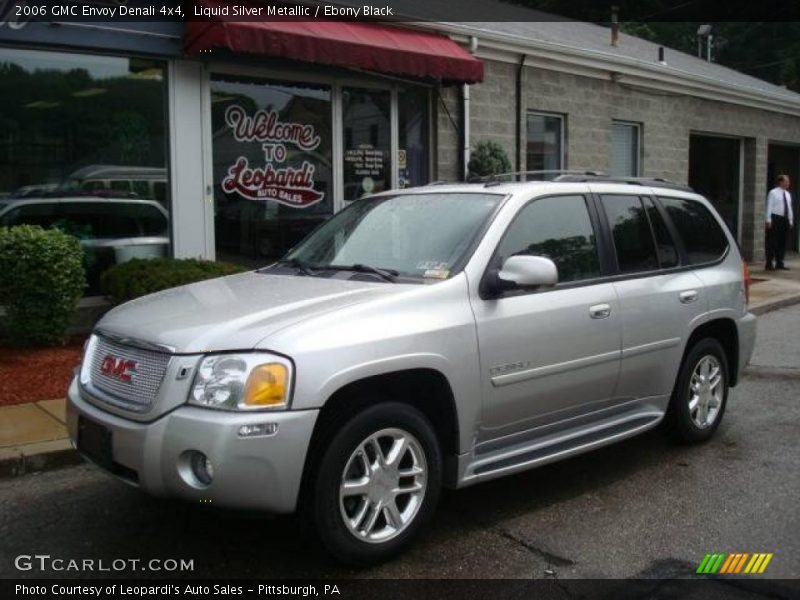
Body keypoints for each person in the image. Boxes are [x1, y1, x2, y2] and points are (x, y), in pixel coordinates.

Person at [765, 174, 794, 271]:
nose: (788, 183)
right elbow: (769, 206)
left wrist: (790, 220)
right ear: (781, 182)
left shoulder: (788, 194)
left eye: (788, 181)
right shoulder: (773, 193)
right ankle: (769, 263)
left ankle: (779, 262)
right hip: (775, 218)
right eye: (786, 181)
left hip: (784, 219)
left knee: (782, 242)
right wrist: (768, 219)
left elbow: (789, 208)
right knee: (772, 241)